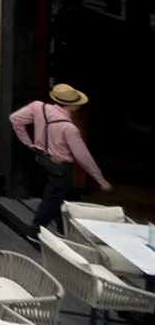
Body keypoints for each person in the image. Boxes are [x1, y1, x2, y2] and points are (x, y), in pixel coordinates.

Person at [10, 83, 110, 235]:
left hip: (43, 158)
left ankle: (62, 228)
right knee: (53, 198)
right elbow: (83, 157)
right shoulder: (69, 129)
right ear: (73, 106)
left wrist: (29, 143)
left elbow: (15, 119)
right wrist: (100, 180)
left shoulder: (38, 107)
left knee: (58, 195)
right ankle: (35, 232)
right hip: (61, 166)